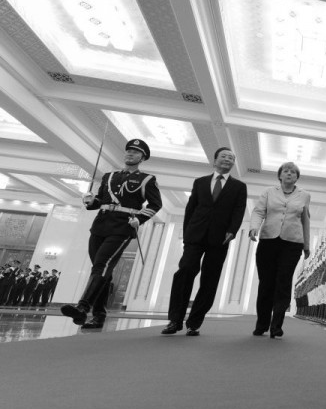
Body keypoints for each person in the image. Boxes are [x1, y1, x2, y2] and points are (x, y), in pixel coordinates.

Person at [61, 139, 161, 328]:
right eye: (129, 151)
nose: (130, 154)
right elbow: (101, 201)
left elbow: (156, 205)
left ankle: (83, 307)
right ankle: (98, 316)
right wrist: (91, 202)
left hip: (122, 227)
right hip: (100, 226)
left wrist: (139, 220)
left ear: (142, 157)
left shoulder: (147, 179)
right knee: (102, 270)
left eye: (135, 152)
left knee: (101, 265)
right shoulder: (109, 176)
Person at [162, 147, 247, 336]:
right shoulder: (200, 182)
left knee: (210, 279)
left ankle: (194, 322)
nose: (227, 159)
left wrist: (232, 231)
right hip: (195, 236)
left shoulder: (239, 187)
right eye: (224, 156)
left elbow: (238, 211)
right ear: (214, 160)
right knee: (185, 271)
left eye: (231, 158)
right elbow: (191, 209)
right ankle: (175, 320)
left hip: (220, 239)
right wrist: (187, 234)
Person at [249, 162, 311, 338]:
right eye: (286, 171)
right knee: (266, 282)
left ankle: (277, 325)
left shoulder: (304, 195)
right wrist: (254, 227)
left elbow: (305, 220)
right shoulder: (269, 192)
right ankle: (262, 324)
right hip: (268, 241)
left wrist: (307, 245)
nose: (289, 174)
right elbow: (259, 211)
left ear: (297, 177)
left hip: (292, 243)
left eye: (293, 172)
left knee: (283, 282)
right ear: (280, 175)